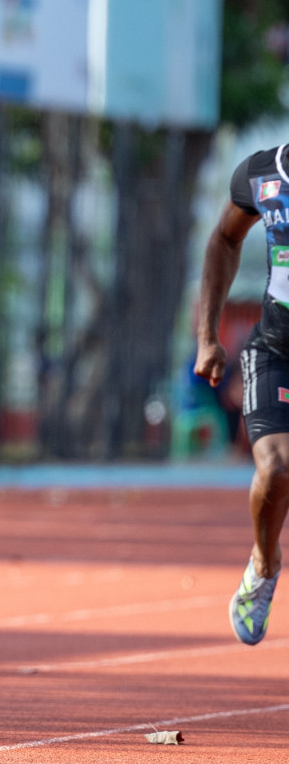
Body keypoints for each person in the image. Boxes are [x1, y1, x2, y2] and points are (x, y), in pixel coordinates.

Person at [194, 146, 289, 646]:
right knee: (276, 467)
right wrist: (208, 336)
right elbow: (224, 240)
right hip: (275, 349)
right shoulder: (260, 173)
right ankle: (263, 561)